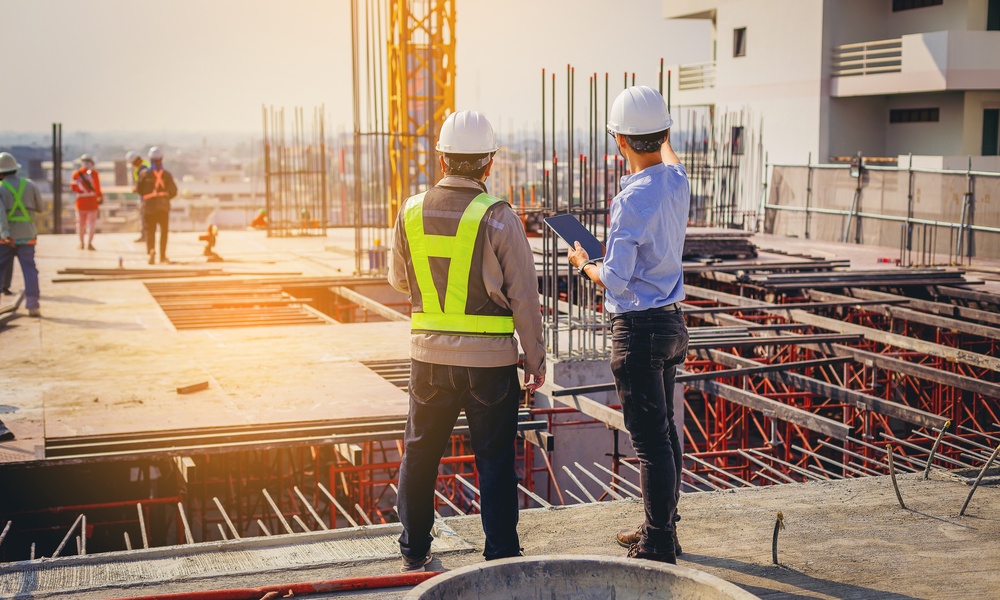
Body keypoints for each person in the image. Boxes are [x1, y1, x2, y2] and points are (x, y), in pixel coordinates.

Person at [389, 110, 546, 571]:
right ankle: (499, 555)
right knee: (495, 462)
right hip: (490, 365)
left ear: (441, 159)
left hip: (428, 359)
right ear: (488, 163)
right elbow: (525, 298)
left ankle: (414, 550)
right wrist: (535, 359)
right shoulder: (499, 217)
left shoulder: (410, 210)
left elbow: (400, 280)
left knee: (419, 454)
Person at [567, 86, 690, 565]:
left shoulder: (632, 198)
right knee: (664, 434)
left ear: (619, 141)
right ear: (662, 135)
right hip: (671, 325)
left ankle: (658, 542)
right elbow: (671, 160)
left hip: (638, 330)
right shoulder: (677, 182)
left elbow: (616, 282)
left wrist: (582, 262)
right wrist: (661, 135)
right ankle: (663, 527)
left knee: (650, 441)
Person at [0, 152, 44, 317]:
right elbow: (40, 207)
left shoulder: (1, 188)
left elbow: (1, 215)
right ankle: (33, 305)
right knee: (30, 270)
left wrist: (5, 234)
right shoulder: (30, 185)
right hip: (27, 234)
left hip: (7, 238)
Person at [136, 146, 177, 264]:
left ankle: (151, 251)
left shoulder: (144, 174)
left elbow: (139, 190)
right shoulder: (166, 174)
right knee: (164, 232)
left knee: (150, 231)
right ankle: (163, 256)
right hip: (163, 207)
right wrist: (165, 198)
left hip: (149, 207)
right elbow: (174, 191)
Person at [70, 154, 103, 251]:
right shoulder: (94, 173)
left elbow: (73, 187)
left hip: (80, 202)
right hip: (92, 202)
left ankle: (81, 243)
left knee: (80, 224)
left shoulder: (76, 174)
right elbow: (97, 188)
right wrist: (100, 197)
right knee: (91, 224)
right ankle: (89, 243)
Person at [126, 150, 150, 242]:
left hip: (145, 197)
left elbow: (142, 184)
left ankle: (145, 235)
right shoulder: (146, 165)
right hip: (147, 196)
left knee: (145, 217)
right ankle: (146, 235)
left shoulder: (142, 168)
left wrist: (136, 189)